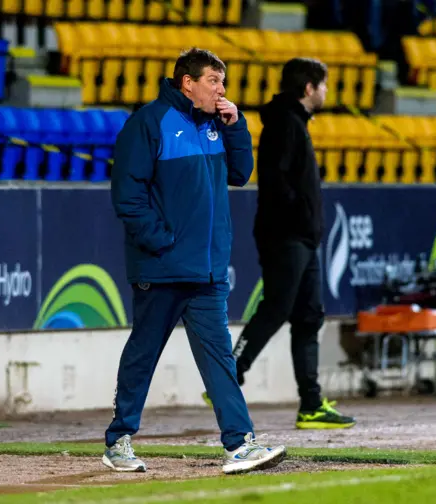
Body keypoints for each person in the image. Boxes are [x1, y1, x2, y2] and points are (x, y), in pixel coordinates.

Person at [102, 48, 286, 475]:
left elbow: (241, 173)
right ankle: (119, 440)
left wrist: (237, 125)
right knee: (143, 355)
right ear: (188, 82)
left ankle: (240, 444)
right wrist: (162, 242)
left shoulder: (216, 126)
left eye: (223, 82)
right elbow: (127, 197)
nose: (221, 90)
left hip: (206, 271)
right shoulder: (149, 123)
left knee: (220, 358)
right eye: (214, 81)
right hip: (162, 267)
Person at [206, 58, 356, 429]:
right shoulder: (285, 125)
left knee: (308, 316)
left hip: (302, 236)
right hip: (286, 234)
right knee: (277, 308)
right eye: (322, 85)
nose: (325, 92)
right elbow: (277, 183)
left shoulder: (293, 123)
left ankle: (311, 404)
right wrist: (300, 218)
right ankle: (228, 373)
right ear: (309, 88)